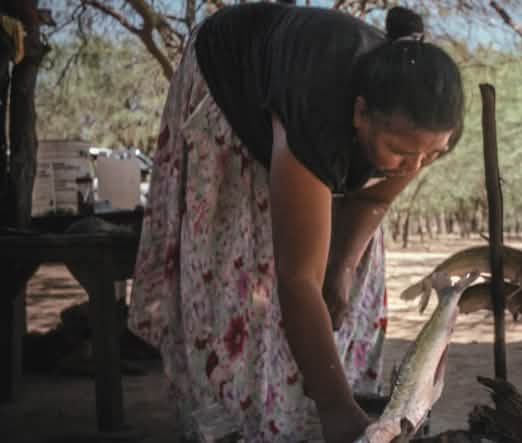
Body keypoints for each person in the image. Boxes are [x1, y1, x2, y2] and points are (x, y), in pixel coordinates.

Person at [127, 4, 464, 442]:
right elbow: (296, 279)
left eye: (430, 155)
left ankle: (316, 412)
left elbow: (375, 197)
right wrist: (336, 410)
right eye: (400, 151)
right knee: (252, 280)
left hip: (314, 107)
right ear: (360, 113)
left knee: (344, 284)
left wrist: (340, 268)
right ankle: (256, 421)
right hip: (230, 85)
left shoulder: (418, 120)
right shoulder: (315, 113)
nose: (413, 167)